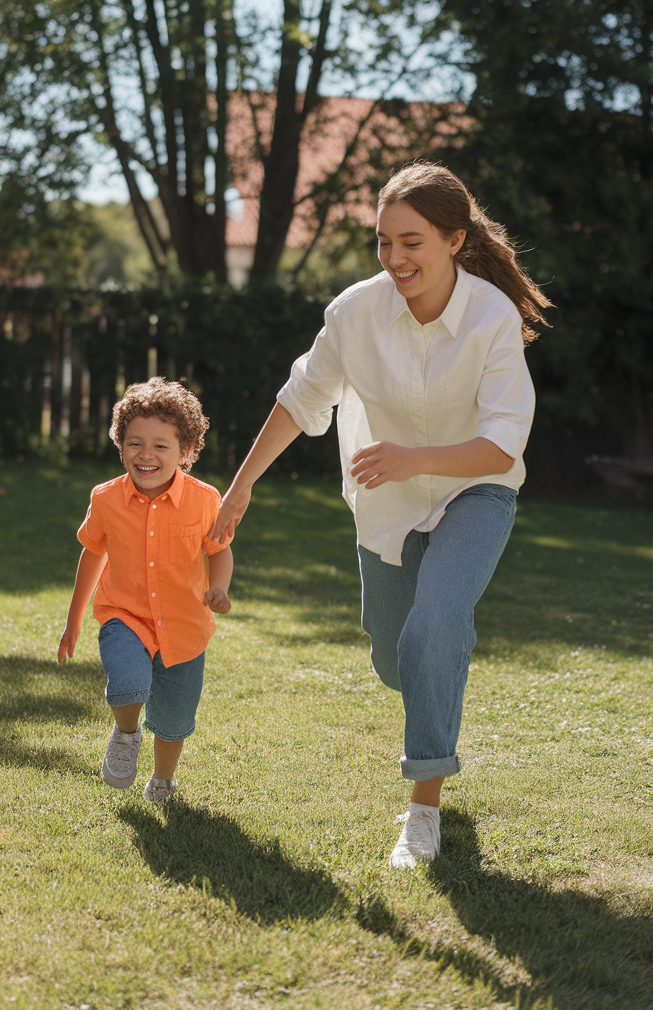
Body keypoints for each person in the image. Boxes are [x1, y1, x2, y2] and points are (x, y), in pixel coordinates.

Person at [209, 161, 550, 867]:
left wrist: (412, 458)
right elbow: (302, 398)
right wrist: (240, 488)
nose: (395, 258)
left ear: (455, 240)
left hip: (476, 492)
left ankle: (423, 812)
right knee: (398, 659)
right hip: (387, 501)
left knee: (433, 630)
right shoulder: (355, 312)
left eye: (412, 242)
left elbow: (501, 446)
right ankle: (435, 669)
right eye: (384, 242)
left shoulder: (491, 317)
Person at [58, 378, 234, 802]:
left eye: (160, 445)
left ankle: (162, 779)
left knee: (174, 721)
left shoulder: (205, 500)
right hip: (124, 615)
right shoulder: (105, 499)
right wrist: (73, 621)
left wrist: (219, 588)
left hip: (184, 625)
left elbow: (220, 551)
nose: (146, 455)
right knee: (127, 680)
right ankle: (126, 733)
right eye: (134, 443)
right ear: (120, 446)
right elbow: (93, 555)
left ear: (186, 451)